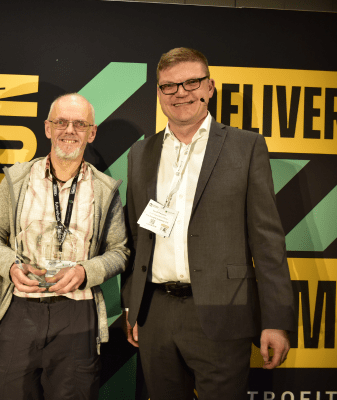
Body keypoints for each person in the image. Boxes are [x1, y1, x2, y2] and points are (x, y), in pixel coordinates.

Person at [121, 47, 296, 399]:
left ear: (210, 87)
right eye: (169, 86)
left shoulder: (246, 147)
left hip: (223, 311)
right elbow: (136, 238)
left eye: (191, 82)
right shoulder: (140, 153)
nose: (180, 93)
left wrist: (275, 321)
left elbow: (267, 241)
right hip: (155, 313)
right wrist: (132, 305)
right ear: (158, 93)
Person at [0, 93, 129, 400]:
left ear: (92, 132)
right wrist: (10, 266)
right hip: (19, 306)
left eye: (79, 124)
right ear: (48, 128)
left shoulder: (105, 189)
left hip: (77, 310)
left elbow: (120, 251)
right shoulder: (17, 179)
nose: (69, 130)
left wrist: (88, 271)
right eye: (61, 122)